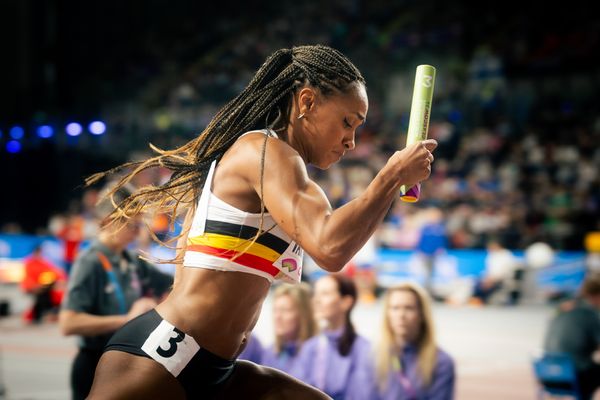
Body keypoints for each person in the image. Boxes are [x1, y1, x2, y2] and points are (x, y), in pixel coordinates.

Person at [86, 44, 437, 399]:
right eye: (348, 122)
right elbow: (329, 247)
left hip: (215, 368)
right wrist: (391, 176)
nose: (351, 141)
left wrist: (391, 182)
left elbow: (337, 242)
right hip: (164, 359)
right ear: (307, 102)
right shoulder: (263, 151)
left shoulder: (297, 184)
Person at [59, 184, 174, 400]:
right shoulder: (90, 261)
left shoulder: (131, 260)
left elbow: (173, 283)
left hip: (123, 364)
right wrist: (128, 319)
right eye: (132, 225)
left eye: (139, 226)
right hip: (94, 364)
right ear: (109, 221)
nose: (137, 233)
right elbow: (68, 323)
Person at [291, 274, 377, 399]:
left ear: (346, 302)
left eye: (325, 294)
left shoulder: (364, 349)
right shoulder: (310, 347)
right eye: (315, 294)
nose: (316, 300)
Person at [374, 282, 455, 400]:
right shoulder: (374, 357)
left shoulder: (441, 363)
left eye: (409, 308)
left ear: (422, 314)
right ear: (387, 314)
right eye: (395, 308)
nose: (401, 315)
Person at [543, 273, 600, 400]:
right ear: (597, 296)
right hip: (573, 376)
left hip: (546, 374)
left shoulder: (561, 309)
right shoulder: (590, 314)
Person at [261, 283, 317, 375]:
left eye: (285, 310)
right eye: (275, 310)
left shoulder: (317, 352)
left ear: (303, 315)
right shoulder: (270, 352)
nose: (278, 317)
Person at [20, 244, 67, 323]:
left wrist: (61, 280)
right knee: (42, 293)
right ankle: (39, 314)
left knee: (51, 291)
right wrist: (36, 285)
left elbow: (54, 272)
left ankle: (47, 312)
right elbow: (28, 277)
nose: (39, 254)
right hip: (32, 286)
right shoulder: (29, 263)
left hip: (44, 285)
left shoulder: (44, 262)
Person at [471, 239, 519, 305]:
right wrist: (486, 279)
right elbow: (488, 271)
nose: (489, 249)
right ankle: (478, 300)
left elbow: (505, 272)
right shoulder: (491, 256)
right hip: (490, 279)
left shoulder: (506, 255)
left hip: (501, 280)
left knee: (487, 285)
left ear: (497, 246)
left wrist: (493, 280)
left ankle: (483, 300)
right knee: (476, 283)